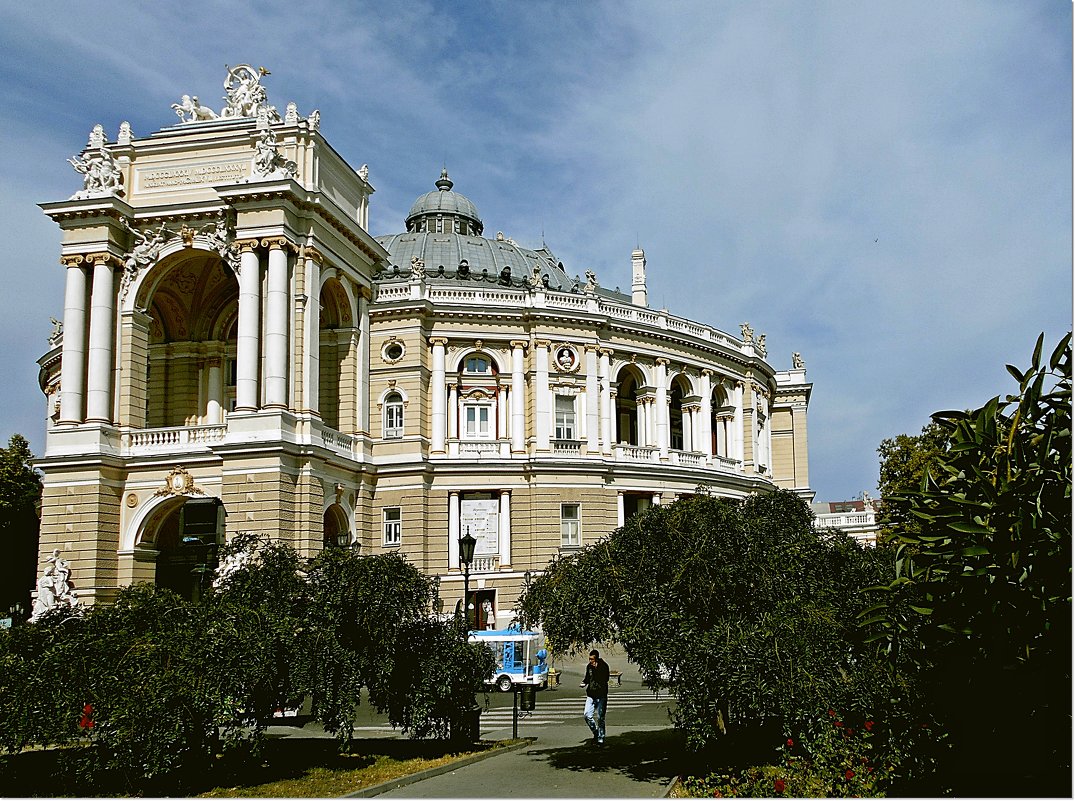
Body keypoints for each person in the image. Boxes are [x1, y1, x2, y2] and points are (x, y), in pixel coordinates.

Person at [579, 648, 610, 745]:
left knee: (601, 717)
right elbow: (587, 677)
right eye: (589, 659)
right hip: (591, 694)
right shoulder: (589, 667)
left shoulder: (603, 667)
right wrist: (584, 682)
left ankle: (601, 737)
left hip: (601, 695)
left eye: (592, 659)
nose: (590, 661)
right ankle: (595, 732)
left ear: (596, 659)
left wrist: (596, 671)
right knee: (587, 715)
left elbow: (605, 679)